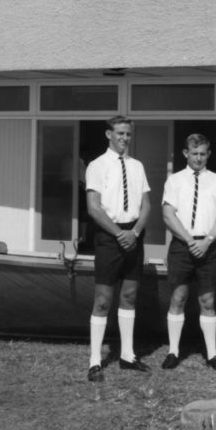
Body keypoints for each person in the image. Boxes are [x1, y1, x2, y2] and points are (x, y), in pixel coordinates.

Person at [161, 133, 216, 372]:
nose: (199, 158)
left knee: (207, 300)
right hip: (182, 246)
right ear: (186, 154)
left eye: (203, 153)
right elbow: (168, 214)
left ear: (209, 154)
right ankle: (173, 351)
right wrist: (189, 239)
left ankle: (212, 355)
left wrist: (207, 241)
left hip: (208, 245)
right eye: (194, 153)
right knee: (178, 298)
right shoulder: (174, 181)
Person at [85, 115, 152, 382]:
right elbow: (93, 207)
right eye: (120, 133)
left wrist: (133, 232)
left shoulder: (137, 166)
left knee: (129, 296)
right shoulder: (97, 166)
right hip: (109, 236)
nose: (125, 138)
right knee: (102, 300)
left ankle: (127, 355)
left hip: (133, 235)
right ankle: (94, 361)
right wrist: (118, 234)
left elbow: (146, 204)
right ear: (108, 134)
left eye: (128, 134)